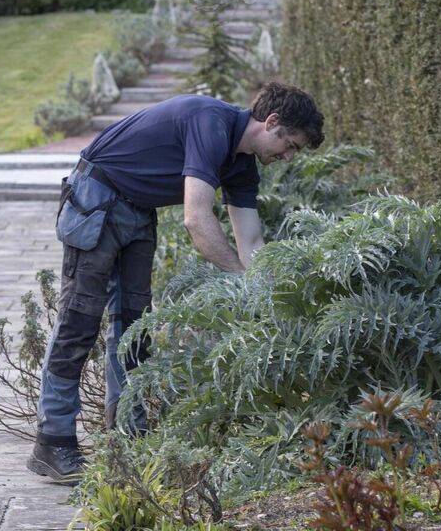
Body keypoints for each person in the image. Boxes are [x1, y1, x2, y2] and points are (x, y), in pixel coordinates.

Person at [27, 82, 325, 482]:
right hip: (96, 198)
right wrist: (239, 277)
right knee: (79, 323)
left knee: (134, 330)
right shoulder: (211, 124)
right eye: (291, 144)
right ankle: (53, 443)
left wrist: (266, 295)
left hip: (137, 210)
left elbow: (250, 241)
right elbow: (196, 219)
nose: (289, 156)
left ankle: (128, 440)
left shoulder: (242, 166)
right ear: (271, 123)